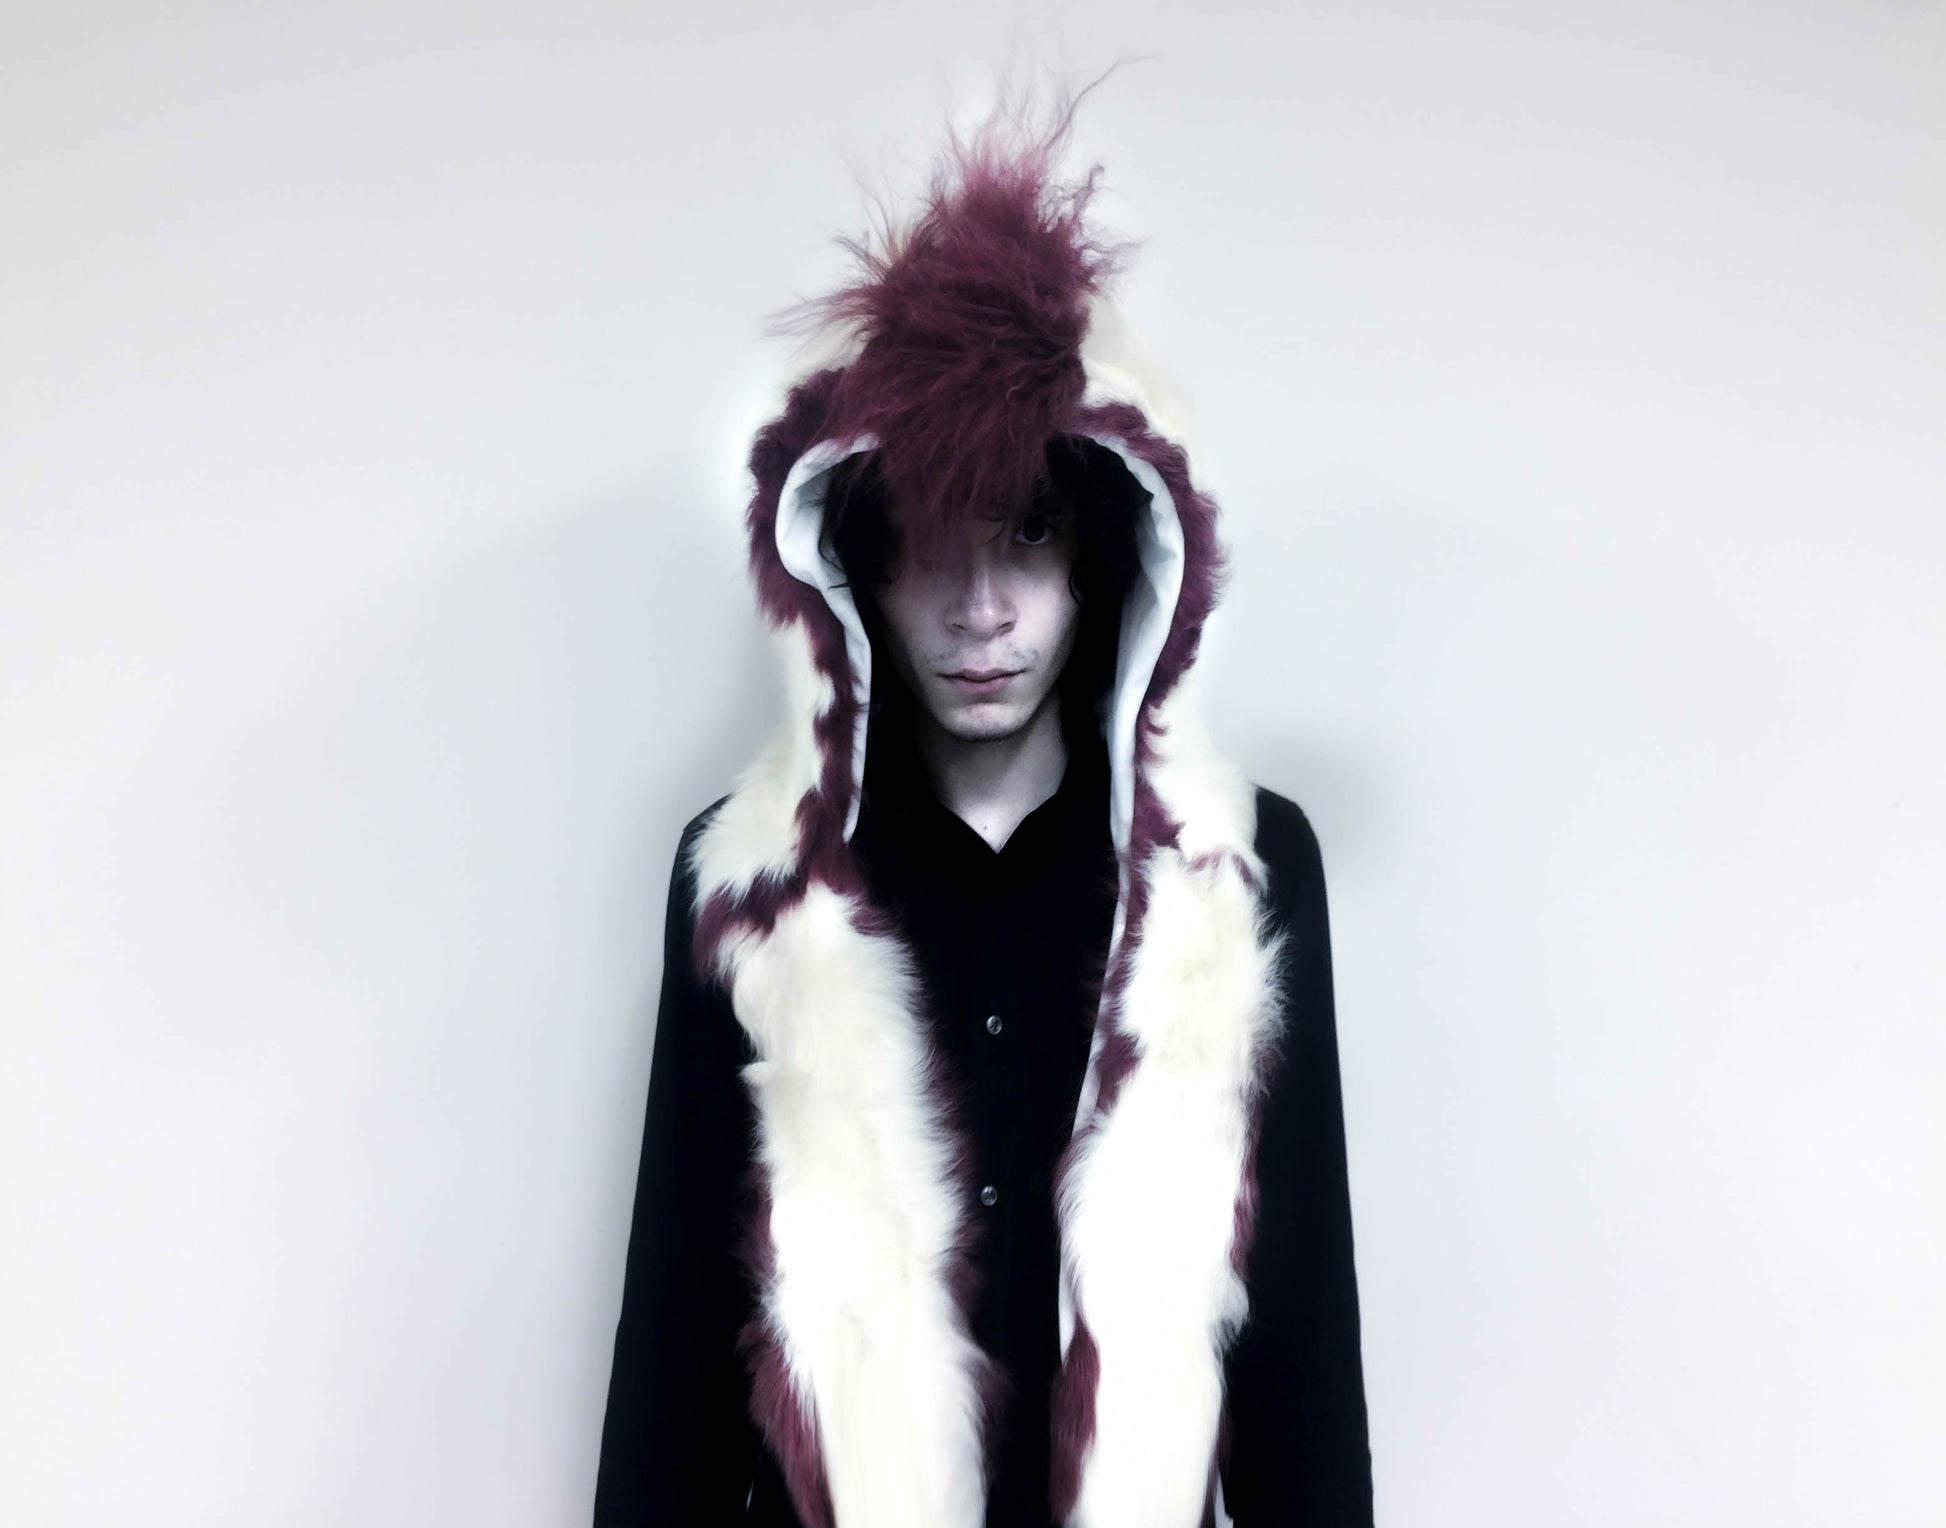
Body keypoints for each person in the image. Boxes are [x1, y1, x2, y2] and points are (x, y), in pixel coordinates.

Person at [593, 103, 1373, 1528]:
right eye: (926, 544)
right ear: (853, 567)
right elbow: (677, 1362)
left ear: (1104, 551)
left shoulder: (1239, 877)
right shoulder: (757, 889)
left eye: (1027, 533)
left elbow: (1301, 1366)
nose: (979, 612)